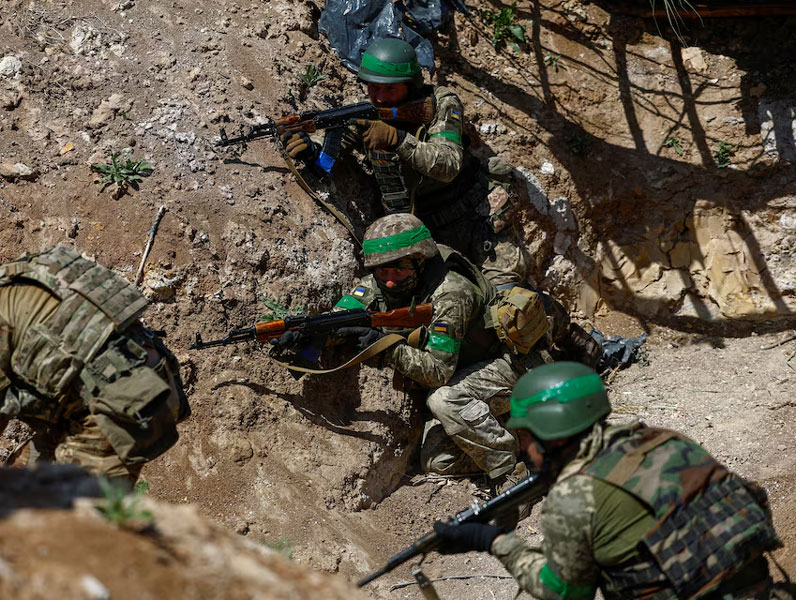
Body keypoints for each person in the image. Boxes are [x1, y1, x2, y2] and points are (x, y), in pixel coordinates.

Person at [433, 361, 783, 599]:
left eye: (523, 435)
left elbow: (564, 592)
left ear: (549, 434)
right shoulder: (665, 440)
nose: (522, 447)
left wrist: (493, 540)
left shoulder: (572, 497)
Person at [0, 233, 188, 482]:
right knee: (21, 484)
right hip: (148, 380)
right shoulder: (27, 274)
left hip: (117, 415)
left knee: (69, 528)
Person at [312, 214, 563, 490]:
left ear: (420, 261)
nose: (390, 282)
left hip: (518, 366)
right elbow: (342, 317)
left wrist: (385, 349)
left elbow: (437, 373)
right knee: (436, 461)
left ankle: (510, 473)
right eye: (382, 273)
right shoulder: (386, 275)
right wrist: (310, 334)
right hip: (474, 370)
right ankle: (517, 435)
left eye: (398, 272)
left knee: (444, 400)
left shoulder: (452, 292)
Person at [281, 37, 526, 287]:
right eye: (373, 88)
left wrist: (396, 139)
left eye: (389, 89)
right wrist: (309, 150)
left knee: (509, 303)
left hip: (476, 217)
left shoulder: (442, 103)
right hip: (427, 231)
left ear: (410, 85)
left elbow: (448, 165)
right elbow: (334, 155)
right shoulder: (369, 115)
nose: (379, 97)